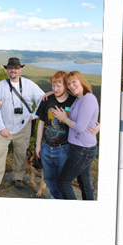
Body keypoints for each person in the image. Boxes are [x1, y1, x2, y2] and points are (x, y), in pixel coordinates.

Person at [0, 57, 45, 197]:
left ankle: (18, 178)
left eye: (16, 68)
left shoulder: (28, 84)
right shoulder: (1, 86)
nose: (13, 70)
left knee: (21, 154)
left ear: (20, 69)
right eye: (10, 68)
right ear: (7, 69)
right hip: (4, 127)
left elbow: (42, 99)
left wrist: (34, 115)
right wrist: (1, 127)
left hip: (23, 126)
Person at [52, 71, 99, 200]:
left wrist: (64, 118)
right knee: (84, 184)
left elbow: (80, 127)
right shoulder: (79, 99)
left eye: (74, 81)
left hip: (83, 150)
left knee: (63, 182)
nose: (71, 86)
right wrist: (52, 92)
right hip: (80, 148)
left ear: (81, 80)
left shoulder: (88, 98)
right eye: (68, 84)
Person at [34, 71, 78, 199]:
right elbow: (41, 123)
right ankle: (56, 196)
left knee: (62, 179)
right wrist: (38, 145)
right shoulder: (47, 100)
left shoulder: (74, 102)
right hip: (46, 146)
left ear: (66, 85)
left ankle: (58, 199)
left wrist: (96, 126)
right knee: (48, 177)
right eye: (53, 86)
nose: (55, 89)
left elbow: (84, 120)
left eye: (59, 85)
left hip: (64, 148)